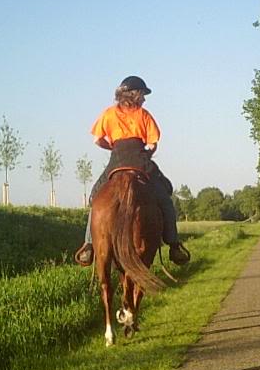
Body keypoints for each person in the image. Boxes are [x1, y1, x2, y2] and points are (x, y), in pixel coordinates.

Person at [74, 75, 190, 267]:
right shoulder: (144, 115)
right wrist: (146, 153)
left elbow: (97, 140)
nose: (144, 98)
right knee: (165, 197)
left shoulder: (109, 113)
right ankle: (174, 245)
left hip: (117, 160)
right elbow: (152, 144)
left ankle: (88, 245)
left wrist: (113, 148)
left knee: (96, 197)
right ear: (134, 94)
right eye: (142, 94)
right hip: (140, 160)